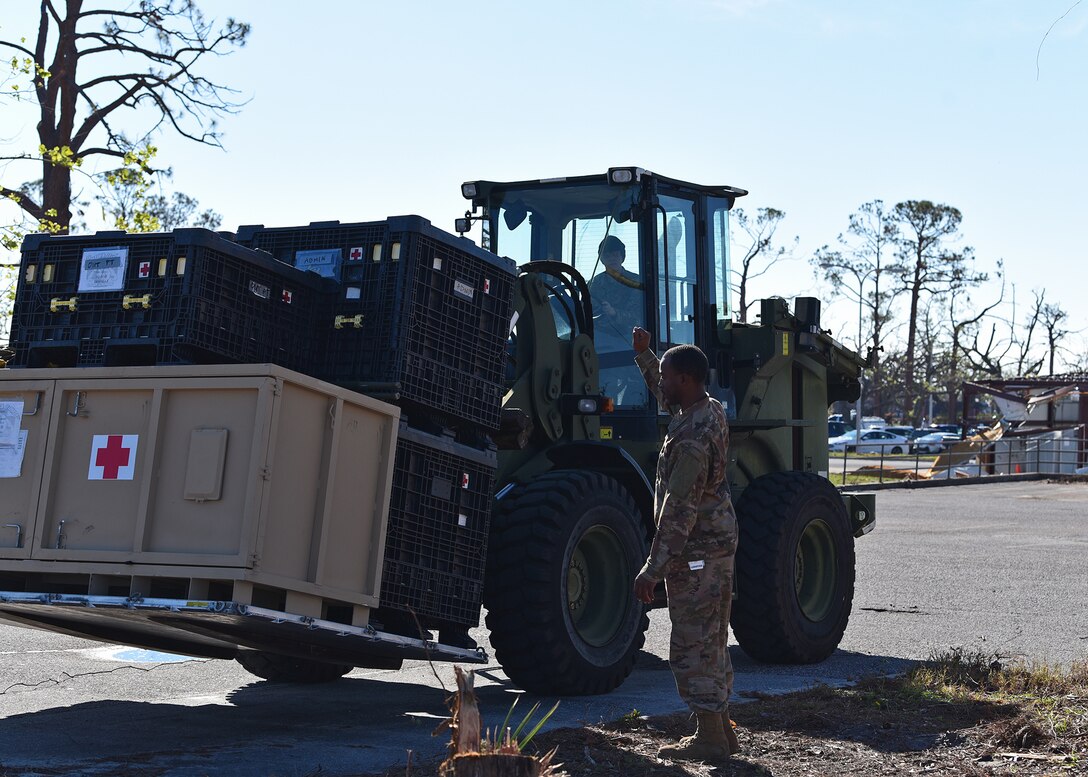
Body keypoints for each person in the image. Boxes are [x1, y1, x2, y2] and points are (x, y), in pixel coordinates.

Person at [631, 325, 740, 763]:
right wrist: (646, 357)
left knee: (693, 644)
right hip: (712, 545)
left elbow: (679, 510)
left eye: (668, 376)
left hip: (697, 551)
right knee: (712, 638)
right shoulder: (704, 408)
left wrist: (652, 569)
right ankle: (720, 732)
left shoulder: (693, 438)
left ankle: (711, 737)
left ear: (688, 381)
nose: (663, 383)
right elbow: (664, 392)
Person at [588, 235, 643, 338]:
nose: (612, 259)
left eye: (615, 255)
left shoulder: (635, 282)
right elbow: (585, 311)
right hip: (598, 337)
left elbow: (640, 317)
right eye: (607, 256)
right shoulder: (594, 283)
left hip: (629, 338)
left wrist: (614, 313)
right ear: (602, 259)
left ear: (622, 257)